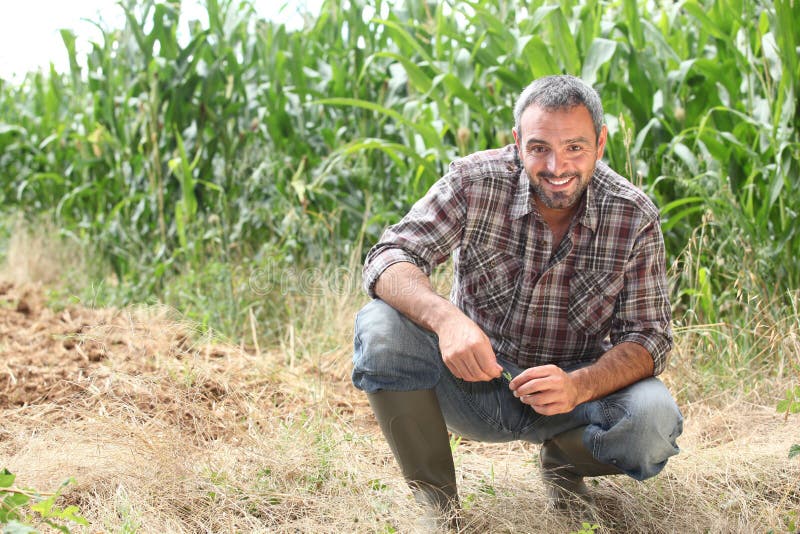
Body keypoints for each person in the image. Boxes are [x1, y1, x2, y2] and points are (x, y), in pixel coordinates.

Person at [351, 75, 683, 527]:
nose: (556, 166)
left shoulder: (633, 214)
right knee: (379, 325)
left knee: (654, 422)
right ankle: (439, 510)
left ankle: (563, 465)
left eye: (575, 148)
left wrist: (579, 386)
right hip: (472, 383)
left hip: (573, 399)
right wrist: (447, 321)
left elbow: (650, 337)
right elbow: (390, 256)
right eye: (539, 148)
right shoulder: (474, 181)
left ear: (601, 143)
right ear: (516, 141)